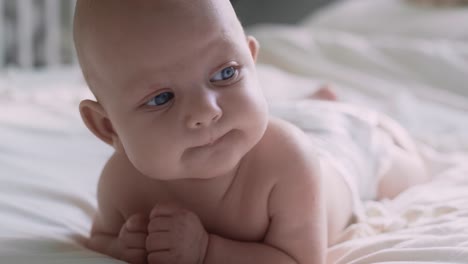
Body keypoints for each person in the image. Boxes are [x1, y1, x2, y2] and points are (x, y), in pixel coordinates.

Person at [73, 0, 429, 263]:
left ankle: (357, 119)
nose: (205, 111)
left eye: (226, 74)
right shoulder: (122, 182)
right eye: (161, 98)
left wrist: (206, 251)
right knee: (271, 117)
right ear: (107, 127)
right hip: (274, 124)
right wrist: (122, 246)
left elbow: (299, 260)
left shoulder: (289, 161)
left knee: (410, 172)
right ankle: (316, 104)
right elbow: (99, 239)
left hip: (345, 157)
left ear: (251, 61)